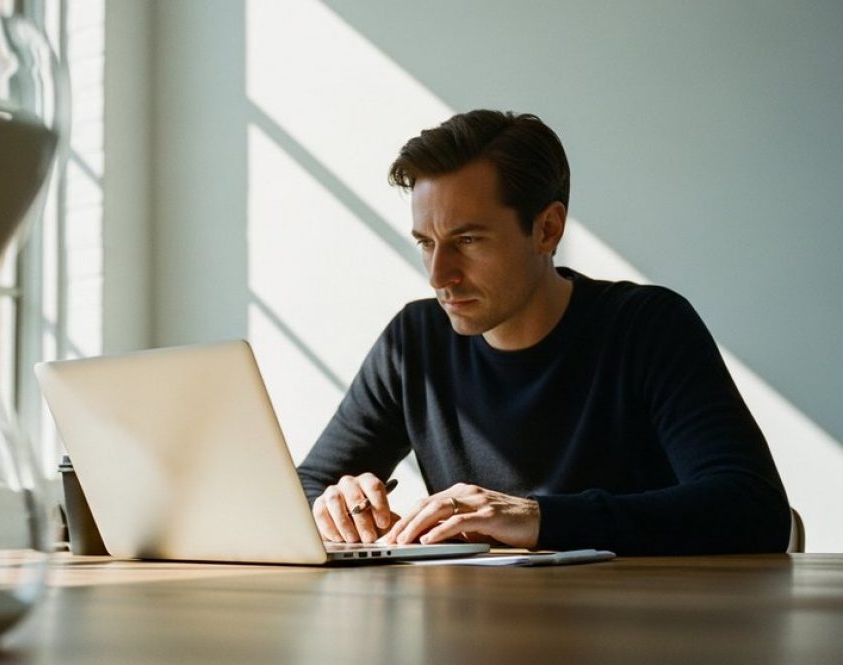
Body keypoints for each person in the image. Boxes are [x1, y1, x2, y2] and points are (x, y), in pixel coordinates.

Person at [296, 109, 790, 555]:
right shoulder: (415, 340)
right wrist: (332, 506)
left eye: (467, 240)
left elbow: (751, 507)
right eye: (427, 243)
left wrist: (539, 518)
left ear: (548, 229)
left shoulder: (647, 325)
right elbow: (304, 488)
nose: (438, 274)